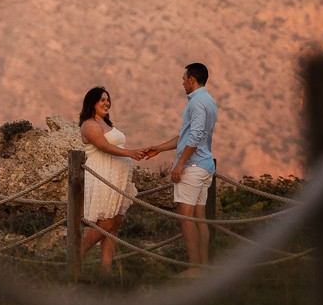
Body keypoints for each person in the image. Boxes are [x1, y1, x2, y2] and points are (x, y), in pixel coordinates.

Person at [142, 63, 218, 275]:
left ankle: (194, 268)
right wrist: (159, 148)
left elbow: (195, 136)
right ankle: (204, 267)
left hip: (193, 167)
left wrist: (181, 163)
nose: (182, 82)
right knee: (200, 219)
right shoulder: (209, 101)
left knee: (185, 217)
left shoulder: (197, 103)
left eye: (184, 79)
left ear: (192, 79)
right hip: (205, 166)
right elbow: (185, 137)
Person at [77, 85, 146, 273]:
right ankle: (75, 258)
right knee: (105, 223)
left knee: (114, 225)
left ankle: (105, 271)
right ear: (92, 103)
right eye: (102, 100)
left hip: (119, 177)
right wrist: (131, 153)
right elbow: (104, 146)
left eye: (108, 100)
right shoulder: (89, 124)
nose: (107, 103)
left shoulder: (107, 124)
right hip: (103, 174)